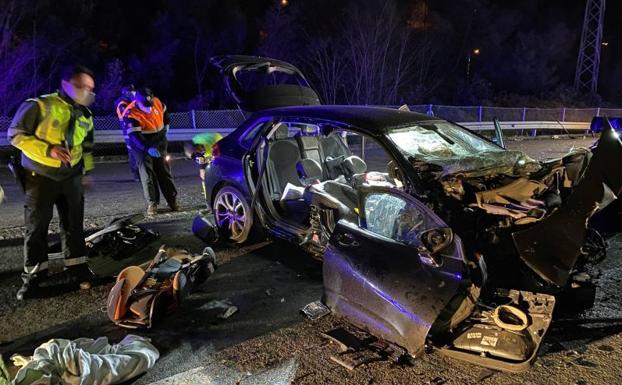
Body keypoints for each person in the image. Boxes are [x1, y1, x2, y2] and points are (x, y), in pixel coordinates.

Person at [7, 64, 96, 300]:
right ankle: (34, 276)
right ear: (66, 84)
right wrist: (49, 150)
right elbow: (15, 134)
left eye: (90, 88)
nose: (87, 91)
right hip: (40, 176)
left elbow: (86, 147)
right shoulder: (39, 105)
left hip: (72, 177)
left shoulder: (86, 114)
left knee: (74, 224)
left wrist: (85, 173)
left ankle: (77, 267)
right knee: (37, 227)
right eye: (82, 86)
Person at [124, 87, 179, 215]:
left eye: (150, 104)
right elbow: (135, 137)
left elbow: (165, 115)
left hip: (159, 138)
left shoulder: (157, 102)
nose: (149, 109)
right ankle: (152, 203)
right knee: (147, 174)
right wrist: (147, 148)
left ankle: (172, 201)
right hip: (141, 142)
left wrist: (166, 125)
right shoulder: (131, 113)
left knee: (164, 171)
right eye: (145, 106)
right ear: (137, 102)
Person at [184, 132, 223, 201]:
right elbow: (201, 159)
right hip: (212, 146)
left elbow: (203, 159)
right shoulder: (196, 142)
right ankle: (209, 198)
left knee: (217, 173)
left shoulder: (214, 143)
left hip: (217, 146)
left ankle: (212, 197)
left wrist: (202, 169)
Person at [114, 84, 140, 181]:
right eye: (130, 92)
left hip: (137, 129)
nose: (132, 94)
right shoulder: (121, 103)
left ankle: (142, 172)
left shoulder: (132, 101)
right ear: (125, 93)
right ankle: (136, 173)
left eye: (133, 92)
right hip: (128, 132)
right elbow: (127, 114)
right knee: (132, 151)